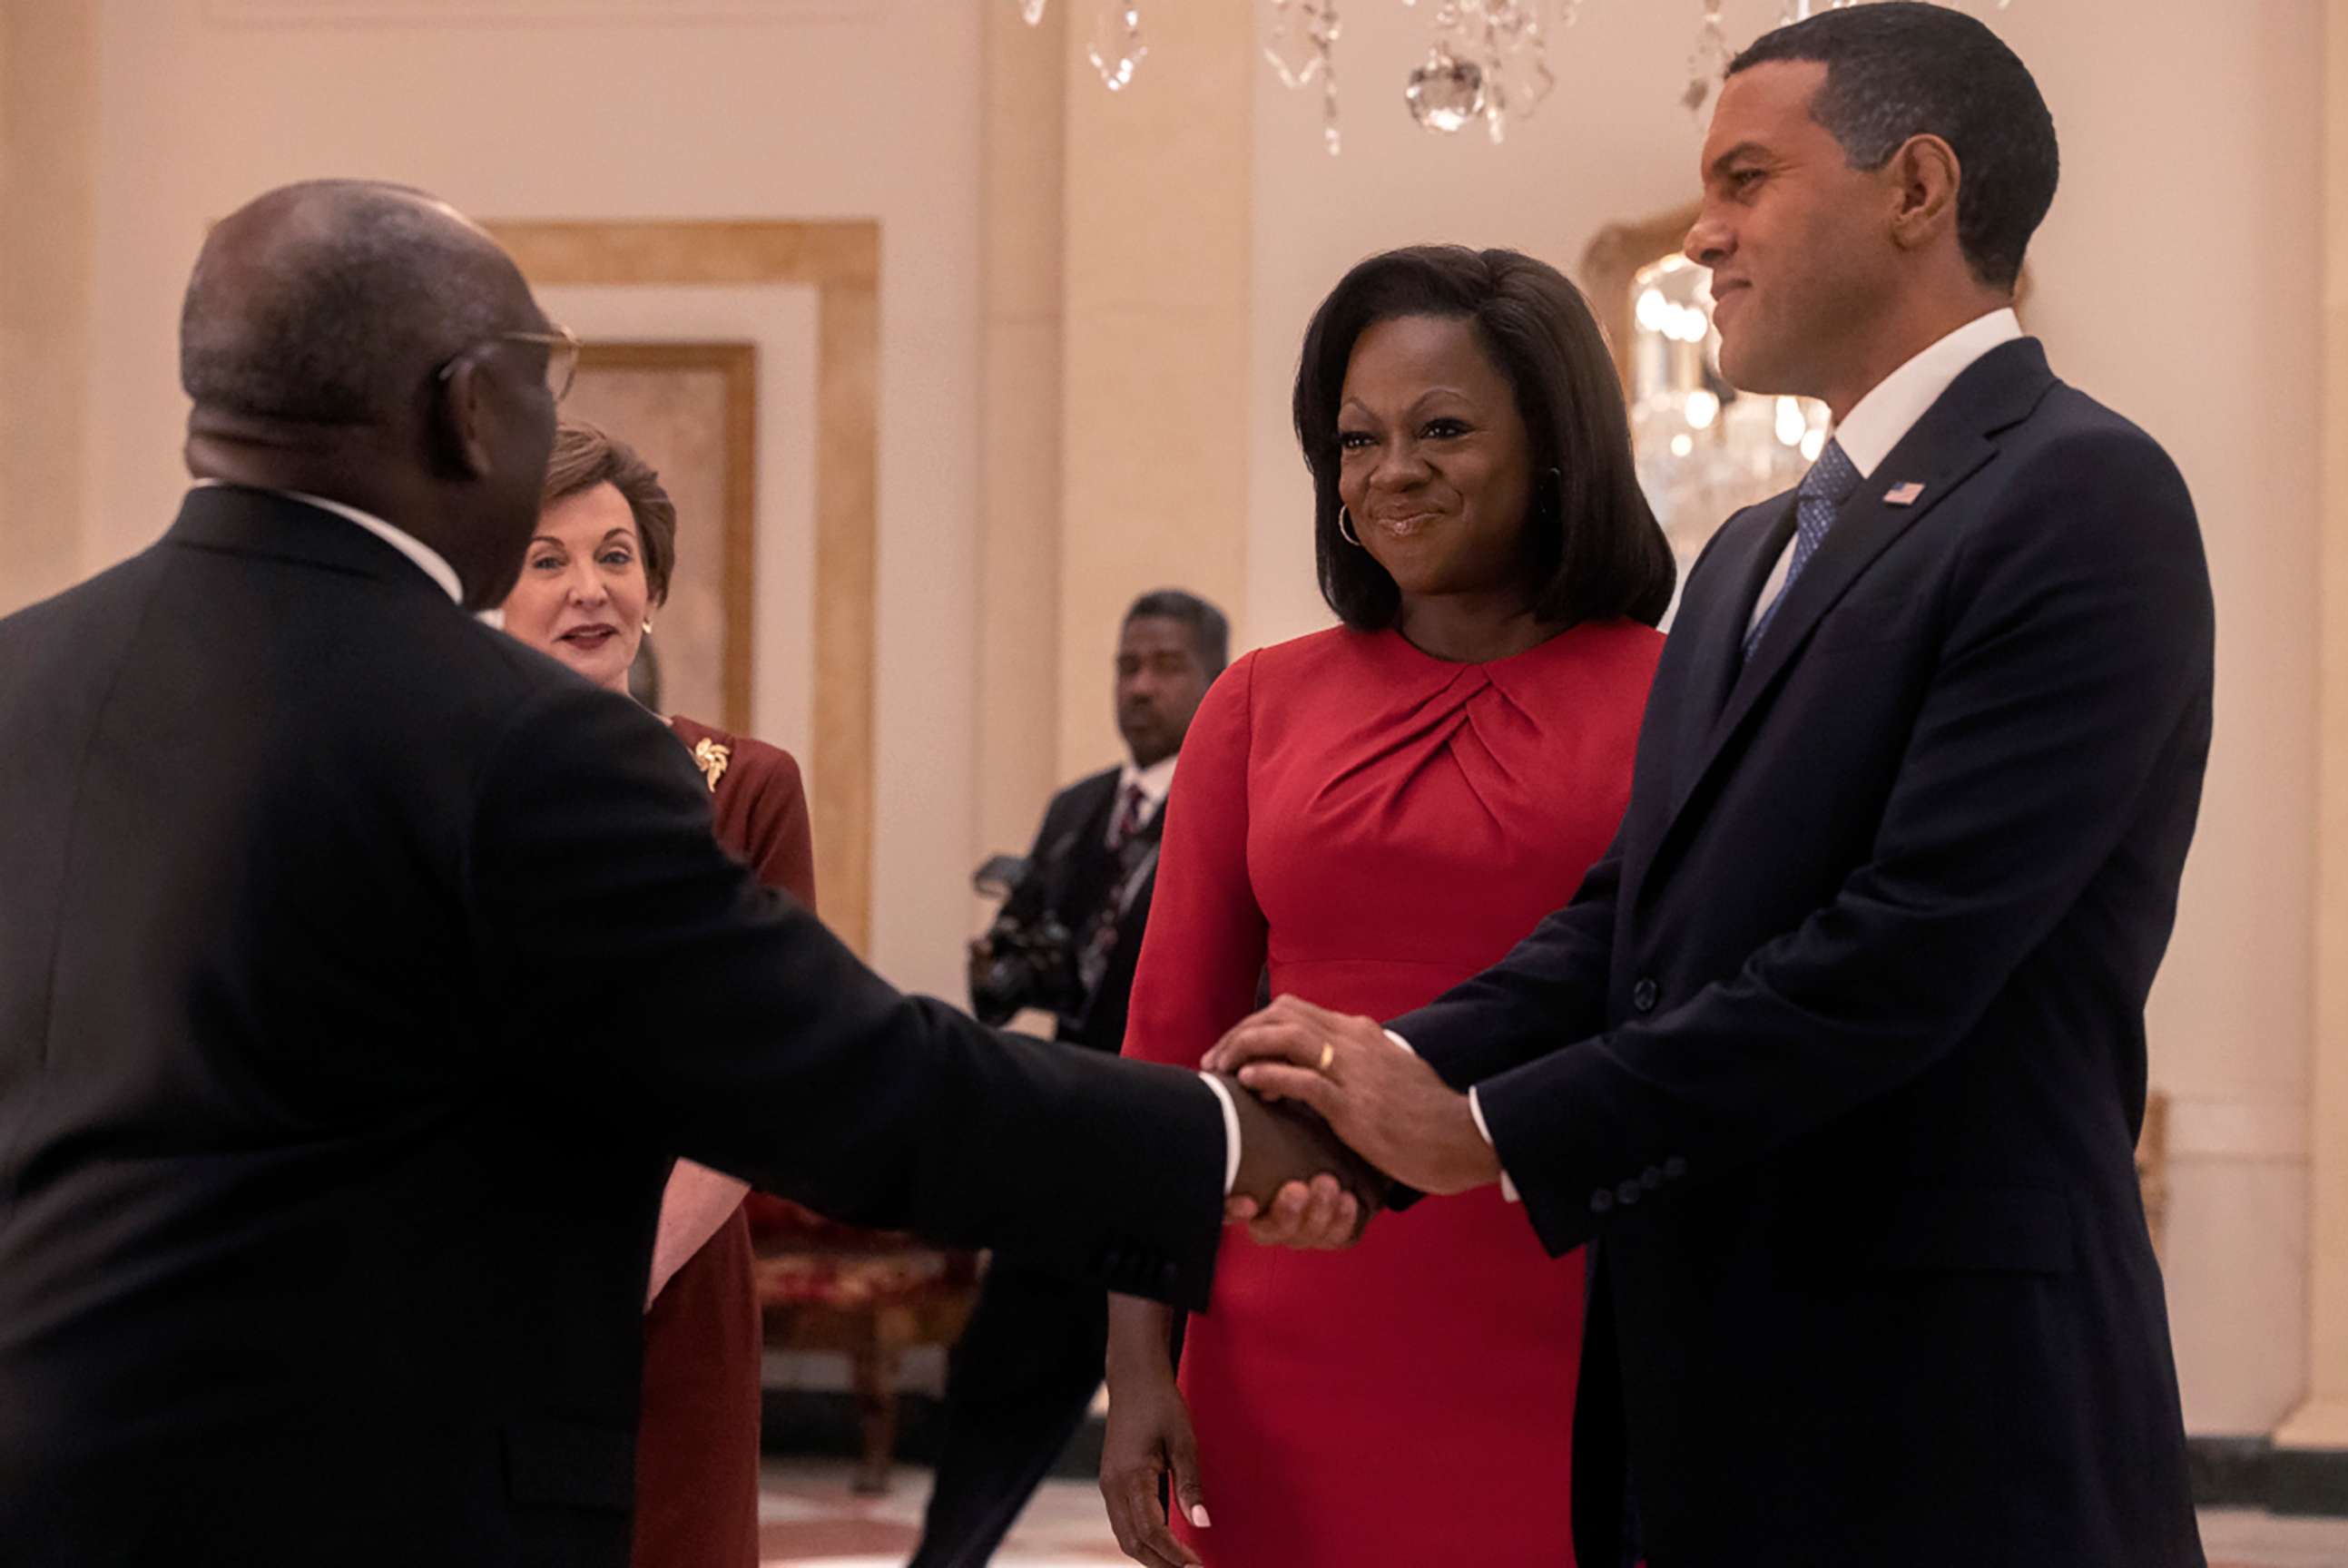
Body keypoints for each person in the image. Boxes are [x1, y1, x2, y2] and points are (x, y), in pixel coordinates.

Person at [0, 179, 1374, 1568]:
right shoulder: (519, 739)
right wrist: (1221, 1141)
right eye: (548, 377)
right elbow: (851, 1083)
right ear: (473, 408)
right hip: (382, 1502)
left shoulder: (21, 682)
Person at [1209, 9, 2211, 1566]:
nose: (1702, 233)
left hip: (1941, 1404)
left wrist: (1489, 1133)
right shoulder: (1751, 548)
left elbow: (1900, 956)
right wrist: (1368, 1081)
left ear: (1917, 187)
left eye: (1745, 179)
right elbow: (1637, 917)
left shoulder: (2078, 492)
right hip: (1701, 1384)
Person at [1105, 245, 1674, 1568]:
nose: (1391, 471)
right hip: (1288, 1325)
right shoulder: (1256, 704)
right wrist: (1138, 1370)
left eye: (1445, 429)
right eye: (1356, 438)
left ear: (1555, 444)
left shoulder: (1686, 696)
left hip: (1580, 1324)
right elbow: (1162, 1053)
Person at [498, 419, 807, 1568]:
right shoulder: (424, 782)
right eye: (547, 559)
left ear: (654, 586)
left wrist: (623, 1273)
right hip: (478, 1287)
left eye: (616, 556)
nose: (590, 589)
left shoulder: (747, 791)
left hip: (672, 1291)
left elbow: (764, 1083)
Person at [914, 588, 1227, 1568]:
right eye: (1127, 665)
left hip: (1175, 1146)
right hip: (1065, 1143)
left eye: (1166, 665)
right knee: (997, 1385)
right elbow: (1030, 969)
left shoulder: (1234, 801)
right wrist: (1002, 970)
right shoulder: (1077, 810)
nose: (1140, 686)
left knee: (1185, 1409)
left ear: (1213, 678)